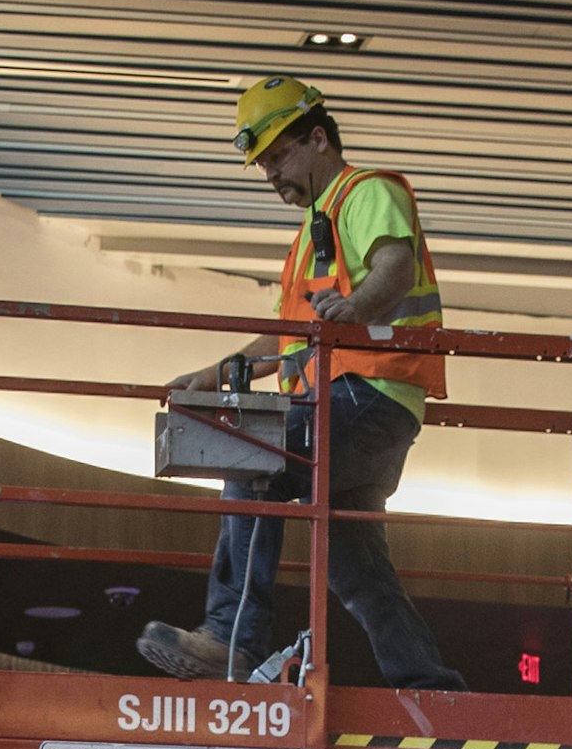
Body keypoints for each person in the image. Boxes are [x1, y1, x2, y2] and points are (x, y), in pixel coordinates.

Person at [136, 76, 465, 692]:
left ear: (319, 138)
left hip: (365, 392)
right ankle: (430, 684)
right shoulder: (313, 230)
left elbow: (394, 266)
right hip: (366, 409)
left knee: (255, 461)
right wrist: (218, 371)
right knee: (355, 565)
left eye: (279, 157)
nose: (272, 175)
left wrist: (357, 308)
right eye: (263, 167)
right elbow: (291, 334)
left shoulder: (364, 194)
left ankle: (230, 637)